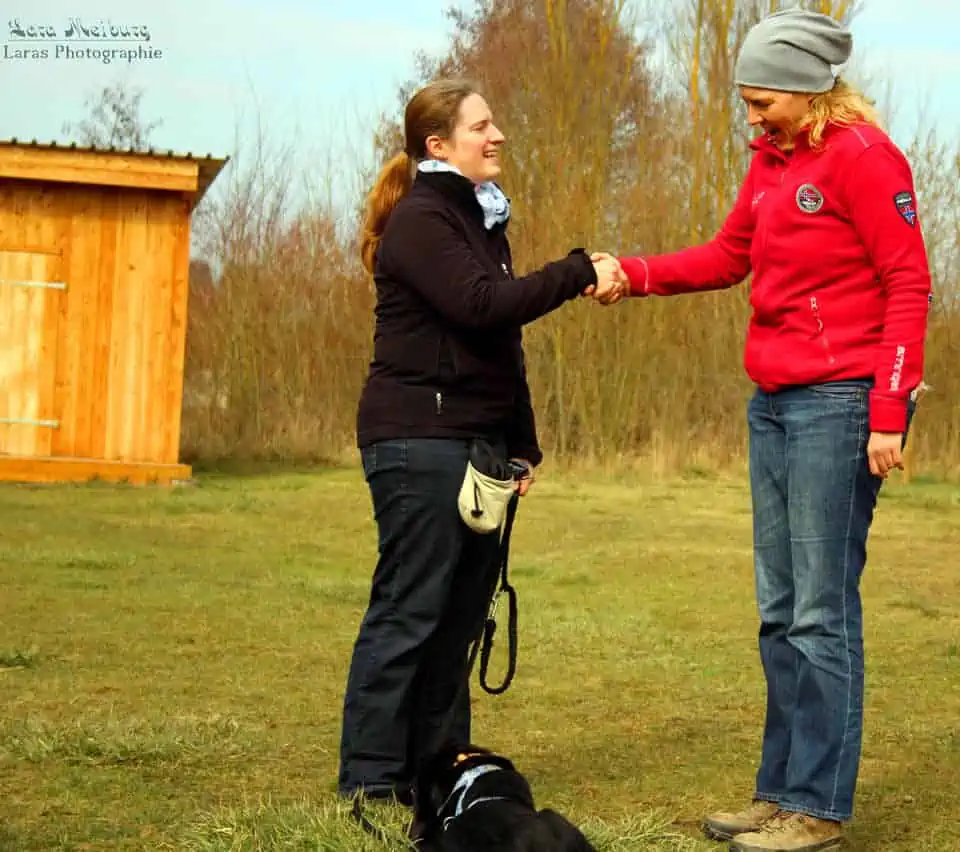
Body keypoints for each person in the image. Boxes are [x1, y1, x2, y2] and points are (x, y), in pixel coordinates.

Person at [610, 9, 932, 852]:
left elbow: (909, 283)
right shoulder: (771, 160)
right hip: (774, 402)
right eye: (748, 104)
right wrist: (632, 274)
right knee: (779, 609)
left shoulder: (866, 159)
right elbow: (726, 257)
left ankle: (819, 810)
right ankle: (780, 792)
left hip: (840, 405)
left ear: (807, 87)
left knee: (822, 613)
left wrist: (889, 410)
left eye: (762, 102)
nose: (751, 116)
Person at [338, 78, 623, 806]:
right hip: (418, 438)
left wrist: (520, 444)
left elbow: (500, 342)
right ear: (438, 146)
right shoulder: (422, 219)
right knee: (410, 609)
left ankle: (435, 774)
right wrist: (576, 270)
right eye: (481, 126)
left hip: (473, 444)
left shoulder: (479, 222)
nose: (497, 136)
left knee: (460, 616)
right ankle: (370, 781)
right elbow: (481, 305)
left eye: (495, 123)